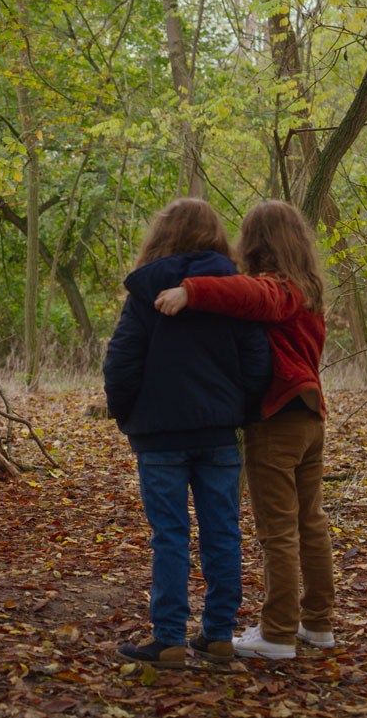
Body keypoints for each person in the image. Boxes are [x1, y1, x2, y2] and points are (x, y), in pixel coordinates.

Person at [153, 199, 334, 660]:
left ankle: (276, 633)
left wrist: (191, 290)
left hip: (279, 422)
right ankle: (317, 624)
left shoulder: (278, 289)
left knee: (279, 531)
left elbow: (253, 296)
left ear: (255, 242)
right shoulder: (307, 288)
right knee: (309, 524)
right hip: (310, 419)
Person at [104, 198, 271, 668]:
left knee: (171, 536)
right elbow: (257, 362)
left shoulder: (144, 296)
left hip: (159, 437)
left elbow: (121, 364)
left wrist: (128, 417)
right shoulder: (234, 293)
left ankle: (170, 639)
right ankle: (218, 635)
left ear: (161, 236)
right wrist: (240, 412)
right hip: (218, 433)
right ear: (216, 238)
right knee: (222, 531)